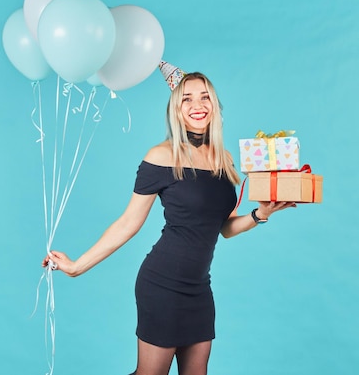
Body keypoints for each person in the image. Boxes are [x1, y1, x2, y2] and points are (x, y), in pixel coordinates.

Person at [42, 65, 295, 375]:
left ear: (214, 105)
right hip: (162, 284)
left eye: (204, 97)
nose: (197, 106)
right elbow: (128, 223)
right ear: (176, 108)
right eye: (187, 99)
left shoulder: (224, 159)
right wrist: (77, 266)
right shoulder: (161, 157)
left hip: (200, 289)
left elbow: (224, 227)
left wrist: (262, 214)